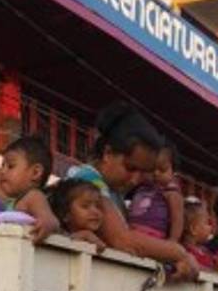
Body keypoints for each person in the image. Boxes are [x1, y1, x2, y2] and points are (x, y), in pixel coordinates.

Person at [65, 103, 196, 279]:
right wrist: (179, 252)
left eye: (143, 173)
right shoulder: (85, 181)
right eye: (130, 168)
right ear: (108, 153)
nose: (135, 180)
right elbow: (122, 240)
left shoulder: (115, 193)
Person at [0, 135, 59, 243]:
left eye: (10, 166)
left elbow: (50, 220)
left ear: (36, 172)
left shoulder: (33, 197)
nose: (2, 171)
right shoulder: (13, 202)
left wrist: (47, 222)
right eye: (2, 166)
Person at [127, 142, 183, 242]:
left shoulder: (171, 192)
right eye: (151, 169)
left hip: (154, 237)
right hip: (132, 232)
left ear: (173, 172)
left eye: (162, 170)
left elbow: (177, 220)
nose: (156, 173)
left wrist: (172, 240)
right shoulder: (142, 187)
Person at [49, 178, 106, 250]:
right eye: (85, 206)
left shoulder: (102, 237)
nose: (96, 211)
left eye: (98, 206)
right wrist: (85, 235)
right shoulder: (57, 233)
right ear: (65, 215)